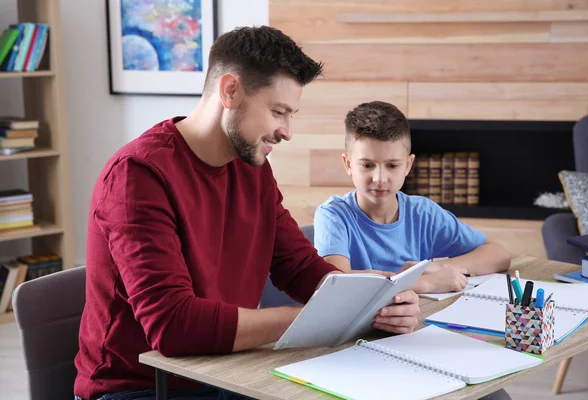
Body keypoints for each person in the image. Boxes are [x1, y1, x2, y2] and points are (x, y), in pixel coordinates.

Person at [73, 27, 420, 400]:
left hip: (225, 371)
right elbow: (173, 326)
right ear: (230, 90)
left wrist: (379, 299)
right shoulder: (137, 176)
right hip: (139, 389)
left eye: (291, 115)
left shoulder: (251, 167)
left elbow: (300, 268)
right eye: (277, 112)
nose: (286, 132)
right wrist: (316, 321)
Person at [313, 101, 512, 295]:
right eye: (367, 165)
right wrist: (425, 283)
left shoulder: (423, 213)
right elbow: (337, 287)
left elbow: (499, 254)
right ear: (348, 164)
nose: (380, 179)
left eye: (392, 166)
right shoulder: (333, 215)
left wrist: (438, 267)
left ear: (408, 165)